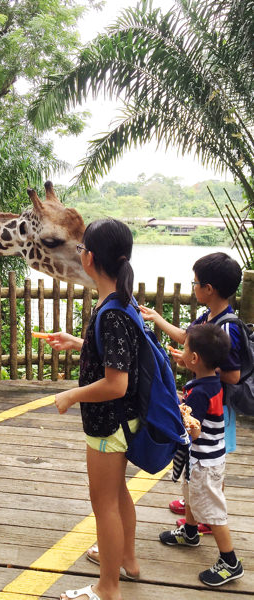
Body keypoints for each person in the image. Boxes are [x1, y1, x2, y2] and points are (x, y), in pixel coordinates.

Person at [46, 218, 141, 600]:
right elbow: (115, 357)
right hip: (121, 422)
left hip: (108, 425)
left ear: (90, 259)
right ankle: (127, 562)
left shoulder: (112, 313)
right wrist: (79, 343)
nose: (80, 253)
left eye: (82, 248)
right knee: (117, 495)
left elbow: (116, 383)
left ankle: (108, 587)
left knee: (104, 505)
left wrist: (73, 395)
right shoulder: (120, 302)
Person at [139, 251, 242, 534]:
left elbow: (232, 374)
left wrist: (195, 364)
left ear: (208, 289)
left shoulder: (228, 326)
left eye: (195, 282)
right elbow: (187, 338)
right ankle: (193, 504)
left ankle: (207, 513)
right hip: (203, 397)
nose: (193, 286)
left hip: (218, 404)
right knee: (199, 457)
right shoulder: (207, 316)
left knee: (212, 459)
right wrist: (157, 318)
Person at [159, 323, 244, 587]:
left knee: (213, 510)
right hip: (207, 457)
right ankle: (191, 532)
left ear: (194, 359)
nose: (182, 352)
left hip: (204, 461)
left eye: (185, 349)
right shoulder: (210, 382)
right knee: (192, 496)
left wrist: (177, 414)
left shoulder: (199, 392)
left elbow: (193, 431)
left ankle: (230, 562)